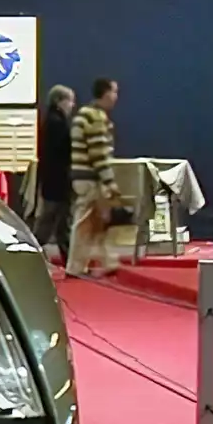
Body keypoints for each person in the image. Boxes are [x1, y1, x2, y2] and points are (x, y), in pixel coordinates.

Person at [67, 77, 122, 277]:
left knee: (98, 223)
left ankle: (108, 260)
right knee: (84, 223)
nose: (116, 96)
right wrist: (109, 182)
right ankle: (75, 267)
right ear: (106, 93)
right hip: (91, 178)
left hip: (81, 176)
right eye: (114, 92)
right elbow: (98, 154)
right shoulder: (96, 118)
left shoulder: (83, 115)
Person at [32, 84, 75, 259]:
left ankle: (68, 258)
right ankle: (32, 251)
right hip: (58, 180)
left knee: (54, 221)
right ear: (59, 101)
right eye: (70, 101)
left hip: (51, 179)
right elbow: (65, 151)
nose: (72, 105)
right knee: (53, 220)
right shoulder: (58, 123)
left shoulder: (50, 120)